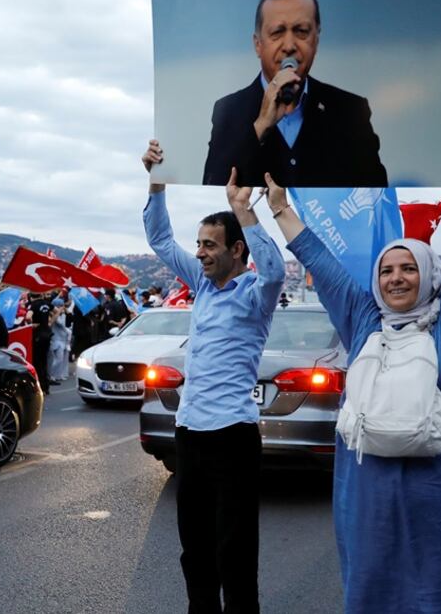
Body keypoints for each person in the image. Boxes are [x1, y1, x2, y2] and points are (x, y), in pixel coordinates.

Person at [263, 147, 441, 612]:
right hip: (370, 507)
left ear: (428, 274)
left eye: (409, 268)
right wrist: (279, 209)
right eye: (387, 270)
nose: (396, 278)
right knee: (376, 598)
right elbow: (320, 263)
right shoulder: (363, 320)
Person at [143, 139, 285, 613]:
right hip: (190, 435)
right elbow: (161, 241)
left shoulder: (254, 294)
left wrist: (244, 209)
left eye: (210, 245)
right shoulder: (201, 285)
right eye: (199, 244)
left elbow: (274, 271)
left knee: (235, 553)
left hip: (233, 438)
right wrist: (157, 183)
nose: (200, 253)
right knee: (196, 551)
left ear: (236, 249)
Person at [202, 0, 387, 188]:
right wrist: (260, 126)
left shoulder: (350, 110)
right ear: (258, 44)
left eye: (301, 31)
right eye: (277, 32)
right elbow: (213, 187)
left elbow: (377, 193)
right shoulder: (230, 111)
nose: (289, 46)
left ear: (316, 40)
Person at [26, 293, 55, 395]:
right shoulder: (46, 303)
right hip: (47, 333)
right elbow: (56, 311)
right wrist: (49, 323)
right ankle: (46, 386)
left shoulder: (33, 305)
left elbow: (28, 317)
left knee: (37, 361)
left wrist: (31, 324)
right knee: (44, 360)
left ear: (31, 297)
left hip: (38, 335)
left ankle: (41, 387)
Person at [48, 297, 72, 383]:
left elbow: (68, 322)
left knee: (62, 359)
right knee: (57, 359)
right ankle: (51, 375)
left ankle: (59, 375)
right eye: (61, 306)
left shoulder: (63, 314)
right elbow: (60, 323)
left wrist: (66, 313)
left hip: (63, 339)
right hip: (56, 340)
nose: (63, 307)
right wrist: (59, 312)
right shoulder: (53, 315)